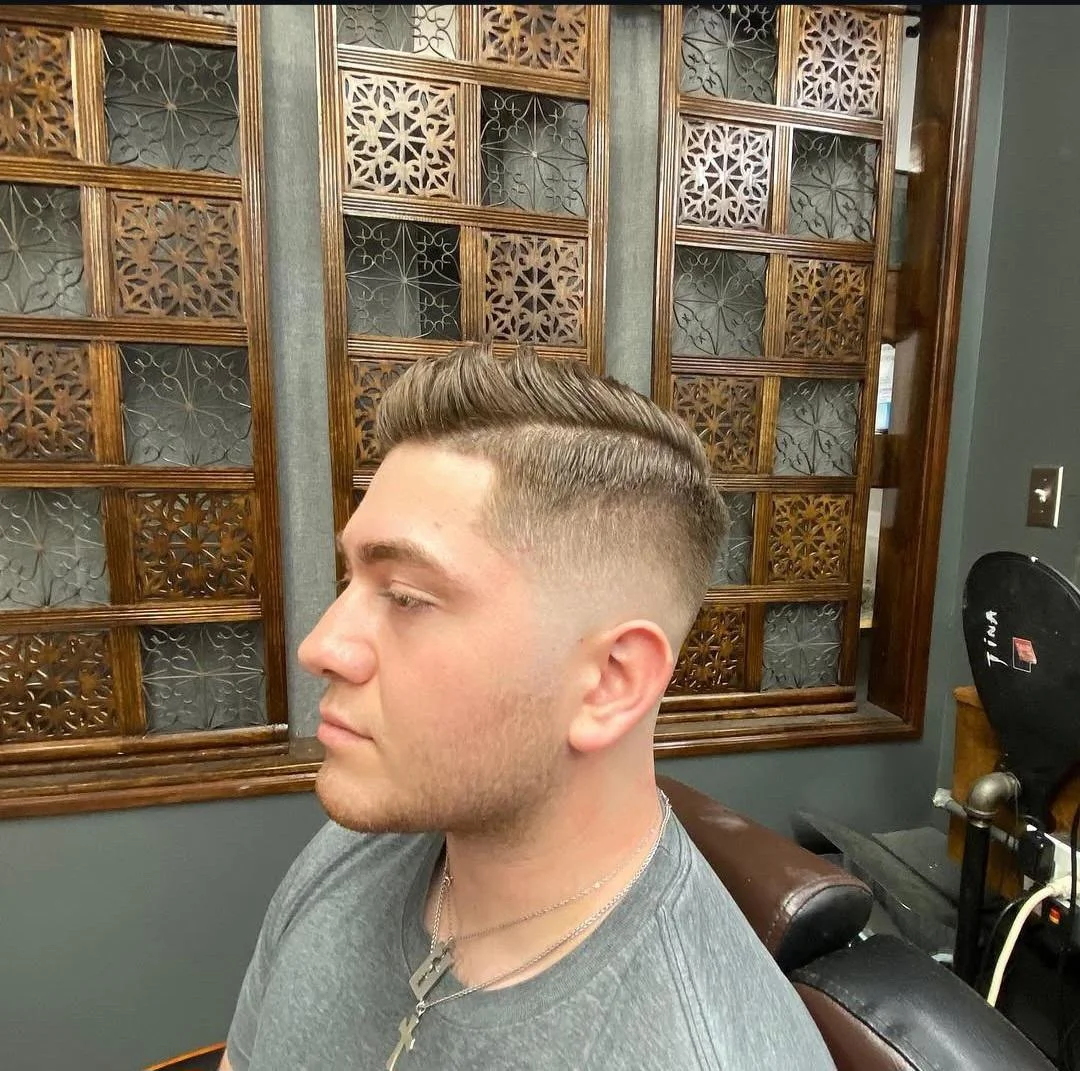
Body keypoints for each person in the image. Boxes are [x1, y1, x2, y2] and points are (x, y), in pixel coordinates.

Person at [221, 343, 836, 1071]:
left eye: (408, 597)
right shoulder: (356, 851)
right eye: (350, 577)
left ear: (610, 680)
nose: (321, 645)